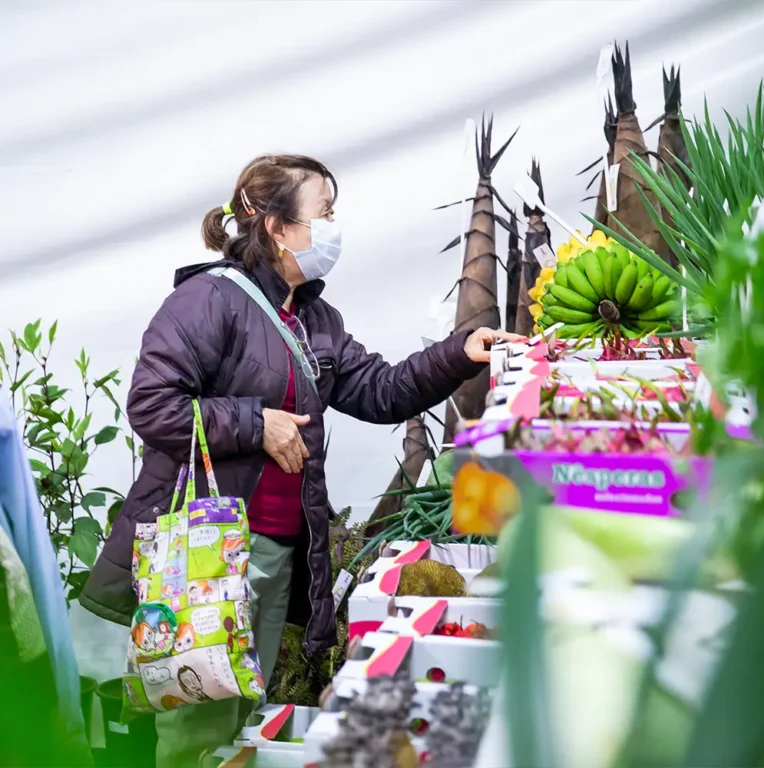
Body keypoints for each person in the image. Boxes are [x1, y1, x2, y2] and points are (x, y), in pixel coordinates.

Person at [80, 153, 519, 767]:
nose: (335, 226)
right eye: (325, 213)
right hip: (211, 558)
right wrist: (256, 424)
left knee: (237, 725)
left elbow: (382, 390)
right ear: (276, 226)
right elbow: (152, 405)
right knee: (198, 728)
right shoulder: (208, 301)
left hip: (277, 553)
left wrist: (459, 353)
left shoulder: (313, 319)